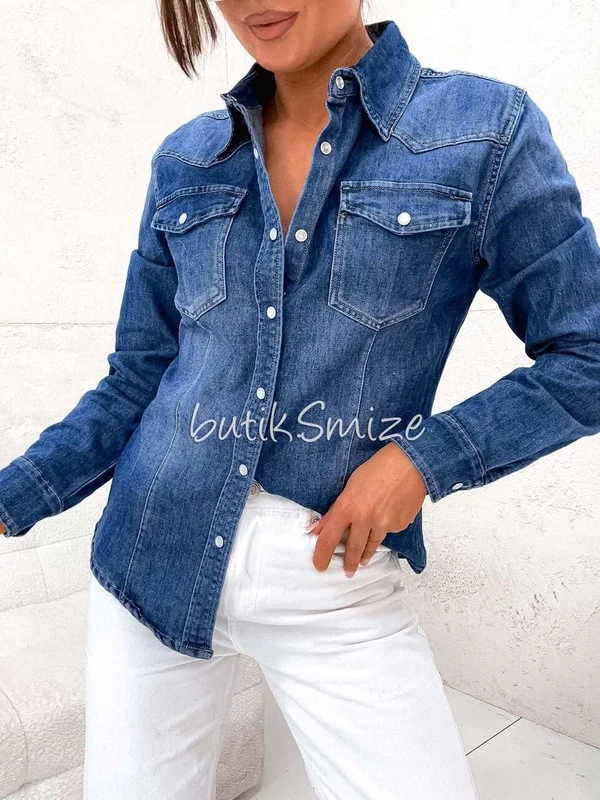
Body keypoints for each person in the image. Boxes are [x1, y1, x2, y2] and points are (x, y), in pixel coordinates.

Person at [1, 1, 599, 798]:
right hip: (149, 553)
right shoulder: (187, 160)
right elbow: (137, 379)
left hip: (332, 577)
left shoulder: (484, 132)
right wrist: (11, 496)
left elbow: (586, 351)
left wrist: (420, 462)